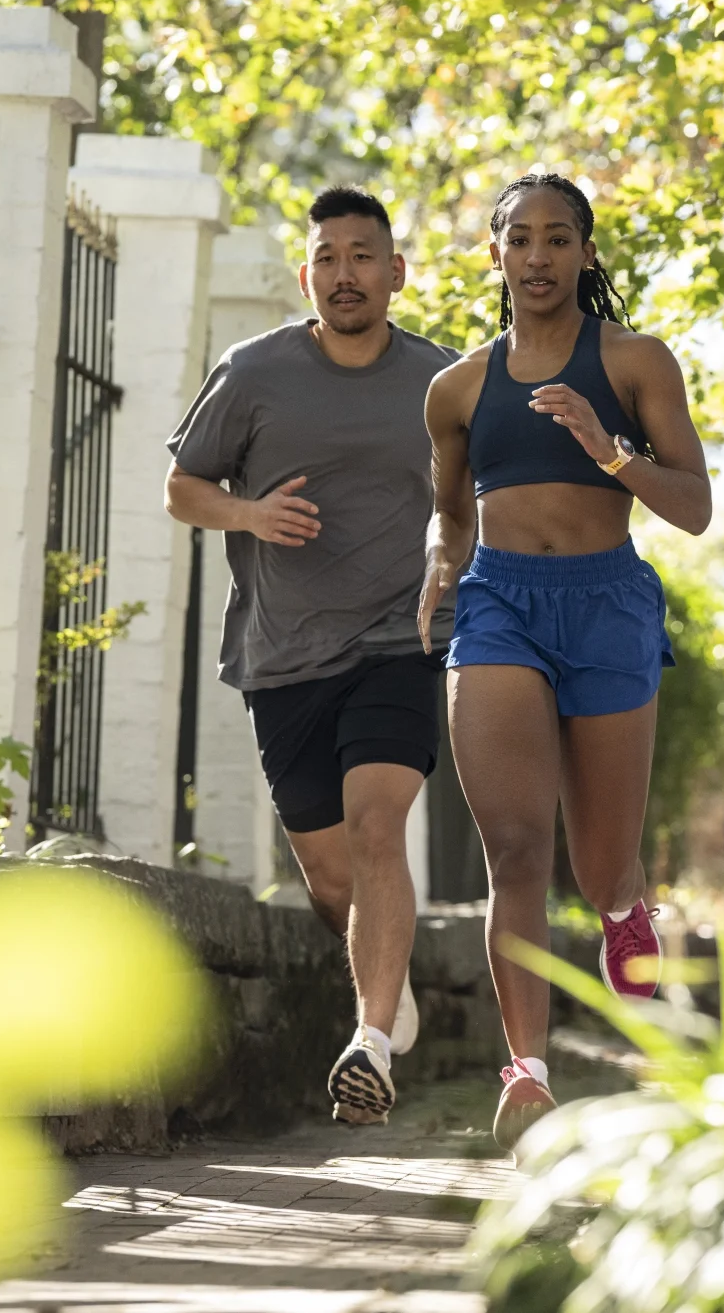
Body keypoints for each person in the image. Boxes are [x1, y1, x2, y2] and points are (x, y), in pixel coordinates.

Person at [418, 172, 713, 1152]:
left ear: (585, 254)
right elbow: (451, 508)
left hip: (607, 606)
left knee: (595, 865)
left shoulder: (635, 362)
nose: (537, 257)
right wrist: (438, 567)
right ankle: (528, 1071)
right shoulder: (456, 388)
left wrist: (609, 450)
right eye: (519, 240)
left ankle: (628, 908)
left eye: (557, 240)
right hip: (498, 601)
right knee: (512, 848)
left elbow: (693, 507)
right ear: (495, 255)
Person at [164, 185, 459, 1126]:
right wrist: (249, 513)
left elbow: (483, 500)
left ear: (396, 273)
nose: (345, 274)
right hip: (285, 654)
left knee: (379, 829)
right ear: (307, 275)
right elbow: (182, 488)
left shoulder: (443, 382)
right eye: (328, 257)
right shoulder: (253, 372)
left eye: (363, 256)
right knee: (334, 881)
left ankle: (369, 1041)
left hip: (400, 642)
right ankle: (389, 979)